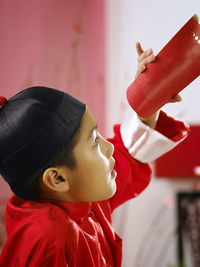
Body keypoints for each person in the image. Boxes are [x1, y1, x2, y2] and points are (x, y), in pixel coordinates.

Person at [0, 43, 189, 267]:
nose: (109, 147)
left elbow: (127, 155)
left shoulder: (82, 195)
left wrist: (150, 94)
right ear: (58, 179)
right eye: (95, 141)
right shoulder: (48, 238)